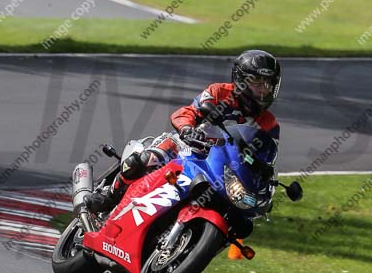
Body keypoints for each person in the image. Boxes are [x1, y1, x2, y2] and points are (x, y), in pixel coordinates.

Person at [83, 49, 281, 214]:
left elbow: (266, 157)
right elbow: (187, 112)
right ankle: (110, 196)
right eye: (257, 82)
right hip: (190, 146)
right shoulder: (219, 92)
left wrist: (265, 180)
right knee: (148, 159)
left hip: (222, 166)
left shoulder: (269, 123)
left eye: (268, 84)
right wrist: (187, 129)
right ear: (241, 80)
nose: (263, 89)